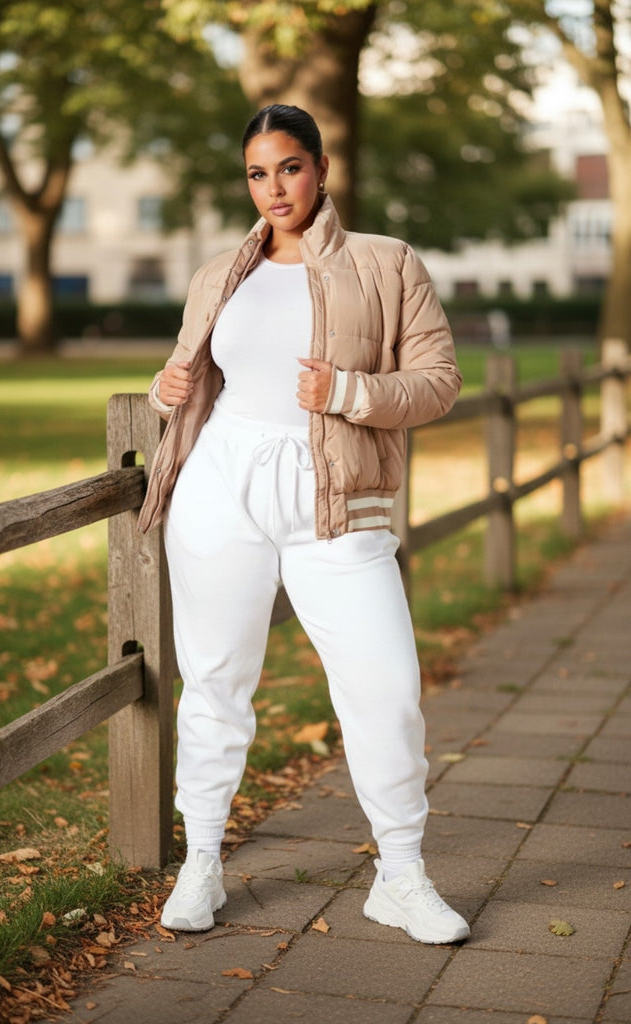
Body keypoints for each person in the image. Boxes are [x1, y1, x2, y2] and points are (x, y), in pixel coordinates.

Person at [137, 104, 469, 945]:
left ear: (320, 168)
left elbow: (437, 382)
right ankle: (201, 863)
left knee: (385, 688)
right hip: (222, 487)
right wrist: (165, 391)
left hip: (337, 499)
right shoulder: (219, 273)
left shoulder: (386, 262)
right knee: (215, 682)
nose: (274, 188)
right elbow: (193, 374)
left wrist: (347, 392)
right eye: (257, 173)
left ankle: (401, 876)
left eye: (288, 167)